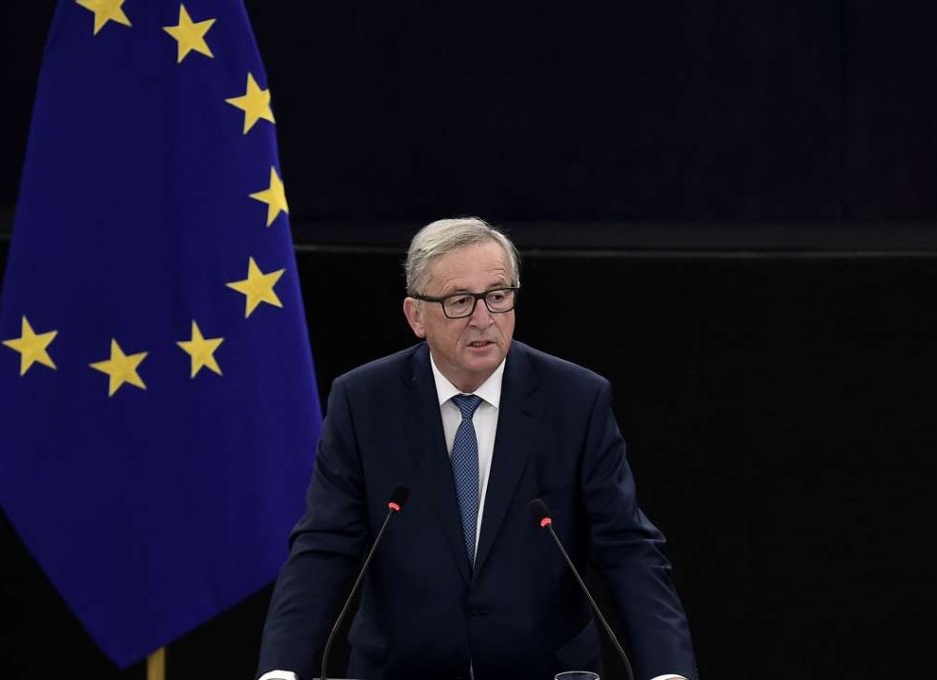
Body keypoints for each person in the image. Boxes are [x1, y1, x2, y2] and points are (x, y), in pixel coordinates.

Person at [256, 216, 699, 680]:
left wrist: (667, 670)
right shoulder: (364, 402)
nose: (482, 319)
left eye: (498, 296)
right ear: (416, 316)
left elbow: (627, 547)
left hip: (542, 670)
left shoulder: (575, 400)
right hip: (402, 670)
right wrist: (282, 669)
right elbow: (324, 546)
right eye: (459, 301)